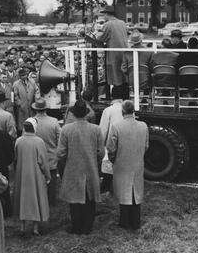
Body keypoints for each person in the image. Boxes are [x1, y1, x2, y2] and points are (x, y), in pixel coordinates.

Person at [57, 100, 104, 235]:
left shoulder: (66, 129)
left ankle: (76, 228)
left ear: (74, 114)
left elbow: (60, 152)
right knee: (90, 200)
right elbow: (101, 152)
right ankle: (87, 228)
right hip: (91, 169)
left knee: (74, 201)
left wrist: (65, 162)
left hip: (73, 169)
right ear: (86, 114)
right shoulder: (96, 129)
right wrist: (95, 161)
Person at [106, 100, 149, 230]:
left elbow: (111, 148)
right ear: (133, 111)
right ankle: (135, 221)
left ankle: (124, 222)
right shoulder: (143, 126)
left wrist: (114, 160)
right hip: (137, 163)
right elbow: (146, 146)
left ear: (122, 111)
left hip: (122, 163)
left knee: (124, 192)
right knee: (136, 190)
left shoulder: (116, 126)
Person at [13, 117, 50, 236]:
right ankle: (35, 228)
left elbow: (15, 158)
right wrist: (47, 175)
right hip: (35, 174)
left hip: (22, 174)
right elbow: (43, 161)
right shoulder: (39, 141)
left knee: (22, 199)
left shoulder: (19, 141)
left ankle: (22, 227)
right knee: (36, 198)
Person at [32, 98, 60, 206]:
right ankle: (51, 201)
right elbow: (60, 139)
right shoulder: (54, 121)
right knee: (51, 181)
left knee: (37, 181)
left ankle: (39, 201)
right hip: (51, 157)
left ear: (35, 109)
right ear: (46, 109)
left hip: (36, 157)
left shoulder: (31, 122)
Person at [98, 87, 123, 194]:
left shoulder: (108, 110)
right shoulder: (127, 109)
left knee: (108, 165)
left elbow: (103, 129)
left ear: (112, 96)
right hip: (124, 142)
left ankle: (106, 187)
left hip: (111, 142)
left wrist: (100, 145)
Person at [98, 11, 129, 98]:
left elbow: (101, 38)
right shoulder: (122, 23)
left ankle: (117, 97)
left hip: (114, 54)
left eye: (104, 15)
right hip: (125, 52)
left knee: (115, 75)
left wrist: (95, 35)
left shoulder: (108, 24)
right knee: (124, 74)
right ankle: (126, 96)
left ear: (107, 14)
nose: (103, 17)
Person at [13, 68, 39, 134]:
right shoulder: (16, 84)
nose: (24, 76)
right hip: (22, 108)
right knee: (23, 126)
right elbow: (15, 96)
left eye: (25, 75)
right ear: (19, 76)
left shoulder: (32, 81)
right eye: (22, 75)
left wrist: (36, 101)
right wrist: (20, 104)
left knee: (33, 124)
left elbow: (37, 91)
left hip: (32, 106)